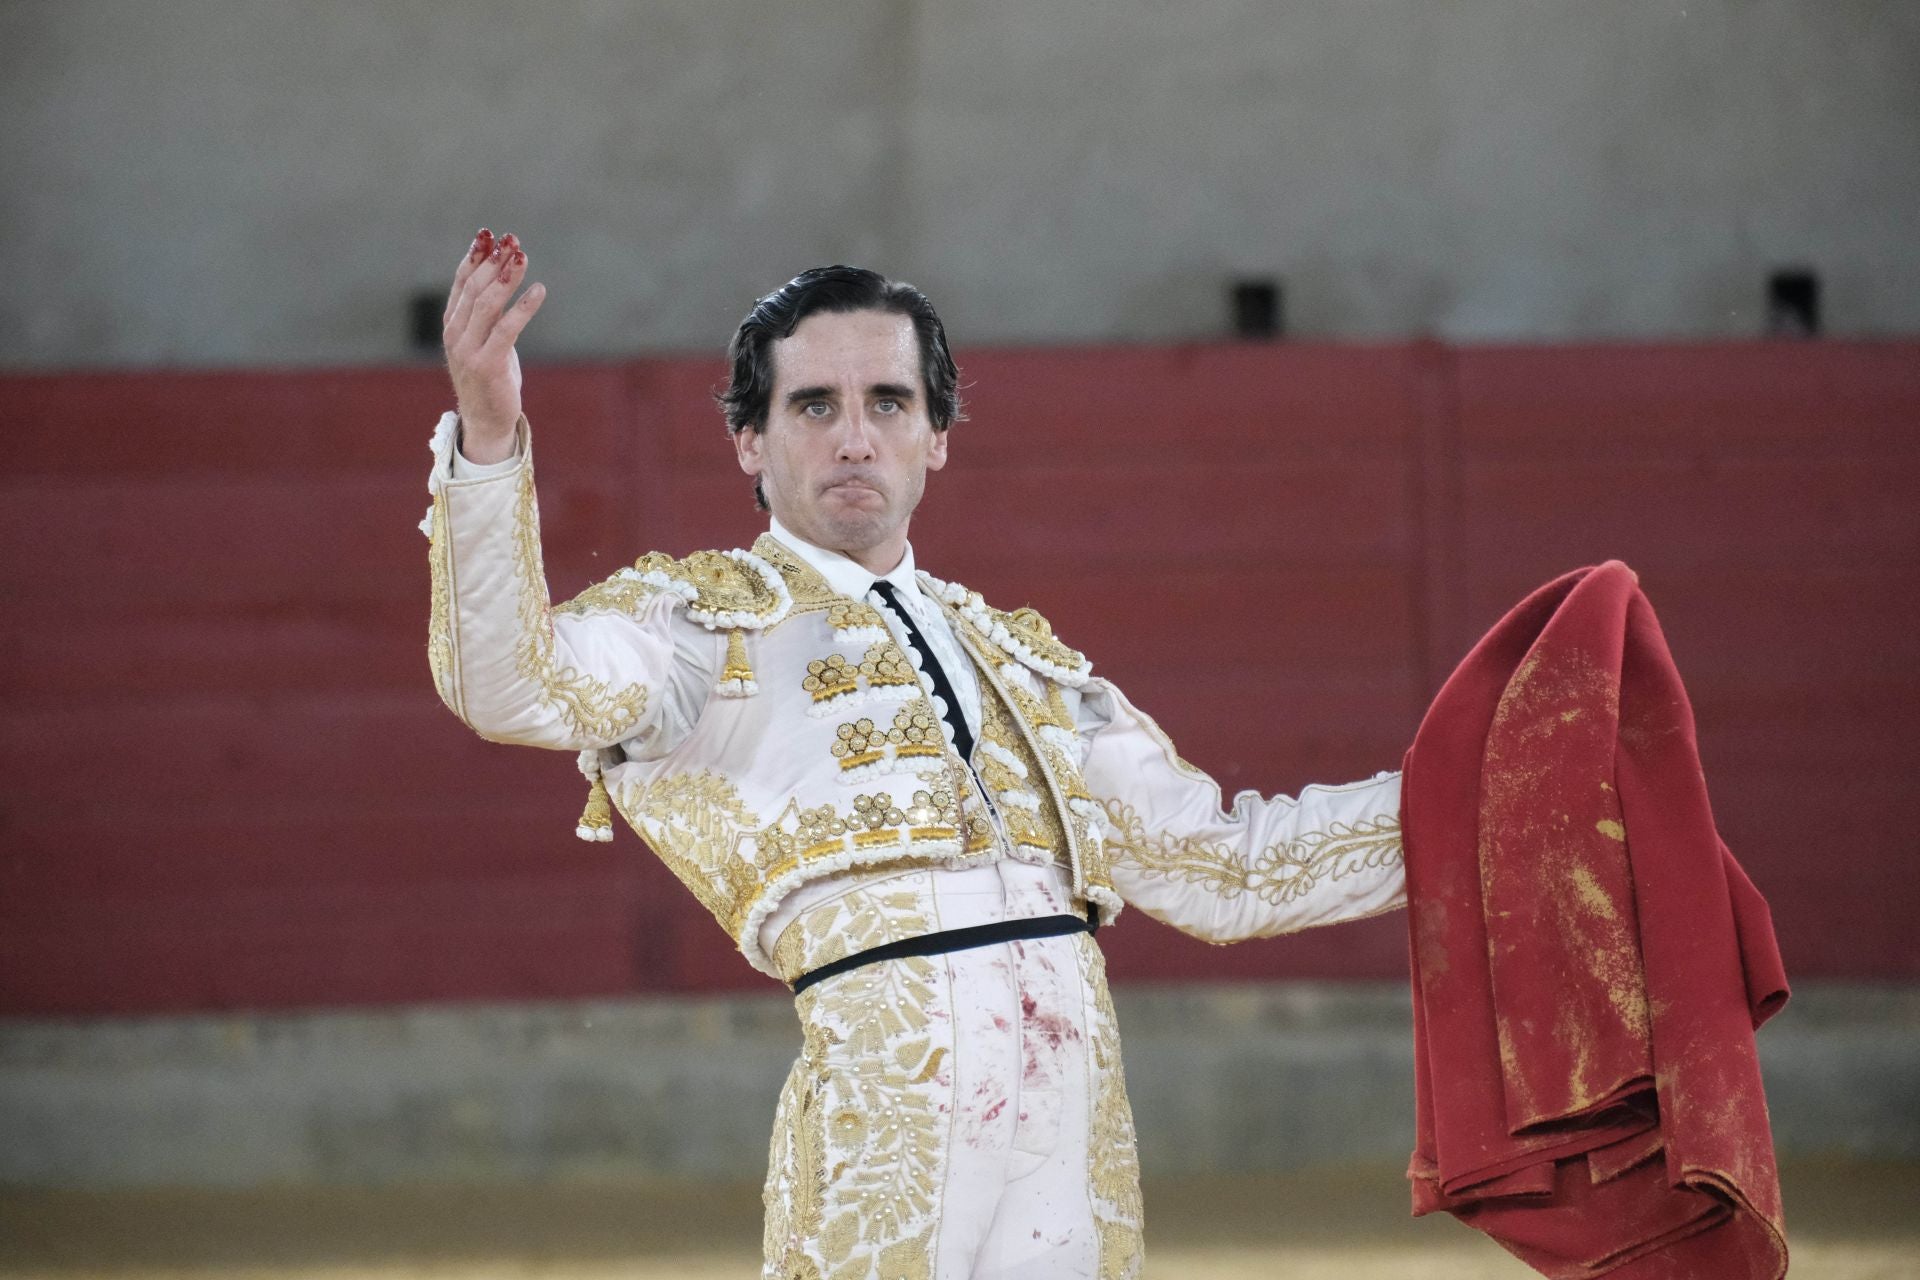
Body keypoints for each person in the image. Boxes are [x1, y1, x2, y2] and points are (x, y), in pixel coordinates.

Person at [425, 229, 1407, 1280]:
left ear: (936, 435)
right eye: (814, 406)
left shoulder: (1021, 657)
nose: (855, 438)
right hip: (885, 1098)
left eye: (889, 402)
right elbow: (510, 681)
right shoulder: (698, 628)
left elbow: (1227, 869)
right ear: (750, 442)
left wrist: (1498, 792)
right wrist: (490, 436)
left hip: (1070, 1103)